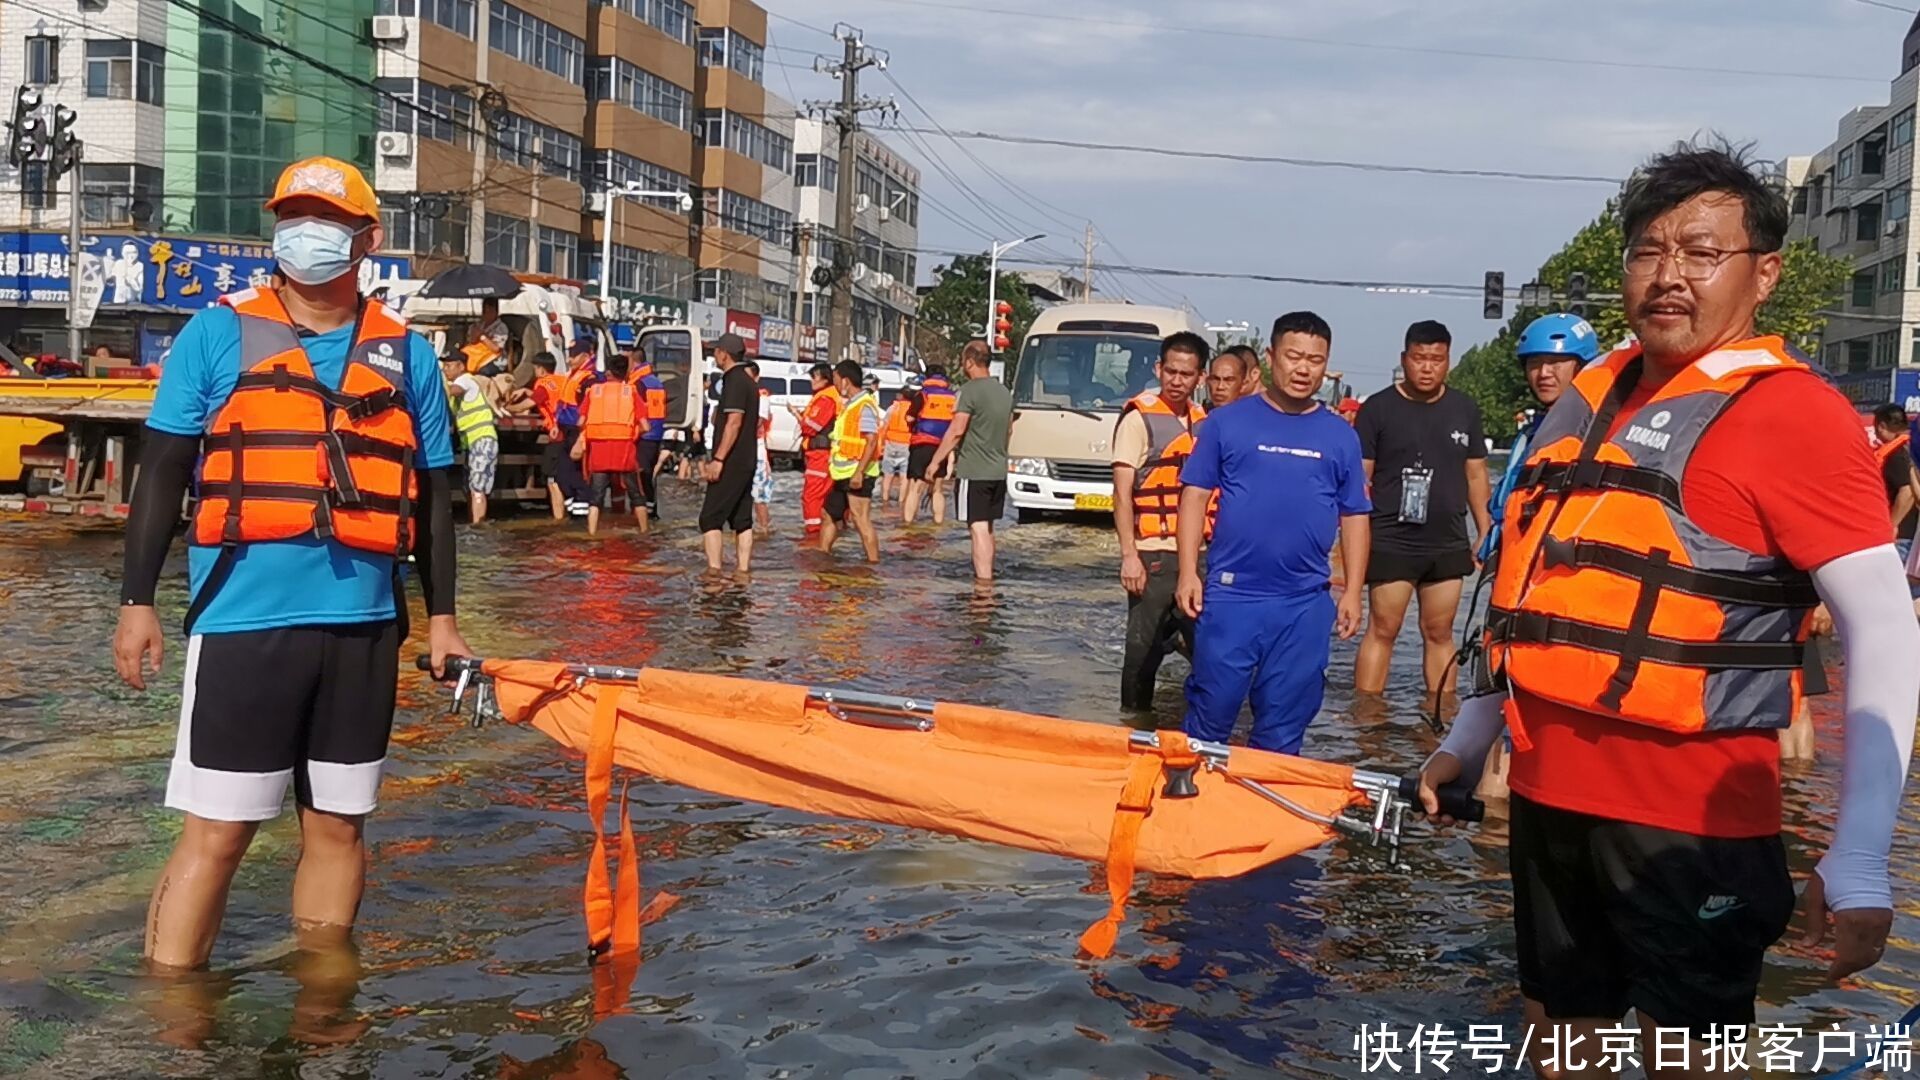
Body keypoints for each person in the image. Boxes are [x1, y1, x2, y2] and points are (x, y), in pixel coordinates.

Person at [1421, 142, 1917, 1059]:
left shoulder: (1793, 417)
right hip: (1546, 797)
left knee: (1687, 1053)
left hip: (1693, 823)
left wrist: (1855, 859)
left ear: (1764, 273)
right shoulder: (1589, 395)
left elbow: (1885, 630)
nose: (1669, 276)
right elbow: (1536, 582)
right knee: (1561, 1037)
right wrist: (1470, 736)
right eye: (1649, 252)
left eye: (1700, 252)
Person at [111, 155, 471, 970]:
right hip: (244, 619)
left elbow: (433, 499)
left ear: (366, 239)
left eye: (329, 220)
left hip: (365, 627)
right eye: (292, 217)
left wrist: (443, 619)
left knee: (341, 825)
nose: (305, 235)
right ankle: (173, 1014)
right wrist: (139, 602)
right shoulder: (216, 332)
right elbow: (163, 469)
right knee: (220, 830)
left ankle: (322, 1002)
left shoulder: (407, 355)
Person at [1176, 311, 1369, 754]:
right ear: (1270, 358)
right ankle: (1190, 805)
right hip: (1232, 596)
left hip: (1304, 601)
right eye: (1294, 356)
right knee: (1211, 713)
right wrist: (1189, 571)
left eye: (1315, 361)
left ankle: (1268, 809)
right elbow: (1194, 497)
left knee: (1285, 725)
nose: (1303, 369)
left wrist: (1354, 590)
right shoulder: (1229, 423)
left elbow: (1355, 515)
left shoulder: (1340, 436)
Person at [1352, 320, 1490, 704]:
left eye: (1436, 359)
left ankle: (1440, 717)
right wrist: (1350, 542)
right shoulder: (1377, 408)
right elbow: (1359, 480)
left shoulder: (1464, 408)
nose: (1427, 367)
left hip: (1446, 539)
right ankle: (1366, 715)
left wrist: (1484, 529)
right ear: (1404, 359)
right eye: (1419, 358)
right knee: (1383, 628)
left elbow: (1476, 472)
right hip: (1391, 539)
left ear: (1448, 361)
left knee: (1440, 631)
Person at [1111, 333, 1208, 710]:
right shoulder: (1137, 421)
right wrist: (1128, 555)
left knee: (1208, 651)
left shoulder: (1205, 423)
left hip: (1198, 555)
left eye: (1186, 373)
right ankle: (1132, 725)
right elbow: (1121, 494)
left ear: (1199, 377)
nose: (1177, 380)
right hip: (1152, 553)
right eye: (1170, 371)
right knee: (1141, 651)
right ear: (1158, 369)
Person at [1480, 313, 1599, 566]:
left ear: (1583, 367)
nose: (1544, 373)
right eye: (1535, 363)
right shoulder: (1530, 434)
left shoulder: (1597, 434)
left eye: (1556, 362)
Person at [926, 341, 1017, 581]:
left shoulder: (969, 391)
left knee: (976, 527)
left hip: (974, 471)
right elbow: (1009, 430)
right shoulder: (1004, 392)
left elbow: (956, 430)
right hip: (998, 471)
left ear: (969, 362)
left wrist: (936, 461)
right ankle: (988, 576)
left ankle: (983, 583)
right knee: (987, 527)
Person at [699, 333, 758, 573]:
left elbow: (734, 423)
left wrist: (719, 459)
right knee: (741, 519)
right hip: (747, 458)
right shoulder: (749, 382)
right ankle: (743, 572)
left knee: (710, 518)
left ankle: (714, 573)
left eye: (716, 351)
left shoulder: (734, 380)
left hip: (731, 460)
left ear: (724, 353)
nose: (715, 355)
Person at [820, 360, 883, 563]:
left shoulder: (864, 405)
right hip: (843, 473)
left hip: (858, 473)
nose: (835, 385)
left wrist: (859, 473)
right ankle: (823, 558)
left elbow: (871, 441)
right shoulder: (851, 405)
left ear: (845, 381)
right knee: (829, 514)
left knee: (860, 519)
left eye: (836, 380)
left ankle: (873, 564)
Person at [577, 351, 646, 535]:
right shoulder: (630, 392)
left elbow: (580, 422)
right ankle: (645, 531)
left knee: (596, 497)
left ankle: (592, 533)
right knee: (636, 494)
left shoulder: (593, 391)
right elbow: (645, 425)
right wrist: (634, 433)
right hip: (625, 450)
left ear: (608, 372)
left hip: (599, 450)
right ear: (626, 373)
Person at [441, 352, 497, 525]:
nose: (445, 369)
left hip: (482, 439)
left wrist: (437, 384)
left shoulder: (465, 380)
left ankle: (478, 524)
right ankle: (473, 520)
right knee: (470, 486)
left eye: (449, 365)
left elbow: (452, 391)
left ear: (461, 366)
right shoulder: (458, 384)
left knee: (478, 487)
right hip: (471, 442)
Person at [903, 365, 957, 525]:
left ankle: (908, 523)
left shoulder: (922, 395)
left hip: (922, 444)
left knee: (915, 487)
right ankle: (938, 523)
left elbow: (910, 418)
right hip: (942, 446)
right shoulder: (953, 397)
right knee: (938, 488)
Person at [791, 362, 839, 535]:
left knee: (812, 496)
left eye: (815, 377)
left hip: (821, 454)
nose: (811, 380)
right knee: (825, 495)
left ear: (825, 378)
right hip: (823, 453)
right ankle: (827, 531)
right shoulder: (827, 396)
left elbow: (812, 426)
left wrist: (800, 417)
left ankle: (813, 533)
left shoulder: (825, 399)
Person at [631, 351, 668, 528]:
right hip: (656, 433)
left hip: (643, 434)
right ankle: (651, 511)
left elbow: (636, 411)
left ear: (633, 361)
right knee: (649, 475)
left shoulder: (639, 383)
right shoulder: (655, 381)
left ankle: (644, 513)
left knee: (641, 475)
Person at [747, 360, 774, 536]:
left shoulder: (762, 397)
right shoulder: (740, 394)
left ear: (756, 377)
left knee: (759, 494)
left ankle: (764, 529)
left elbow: (758, 422)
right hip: (743, 449)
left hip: (756, 449)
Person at [879, 380, 915, 506]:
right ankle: (901, 502)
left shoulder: (892, 408)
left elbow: (884, 427)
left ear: (902, 396)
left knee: (887, 475)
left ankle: (884, 500)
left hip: (890, 444)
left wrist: (881, 445)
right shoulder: (914, 410)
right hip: (906, 445)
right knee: (904, 477)